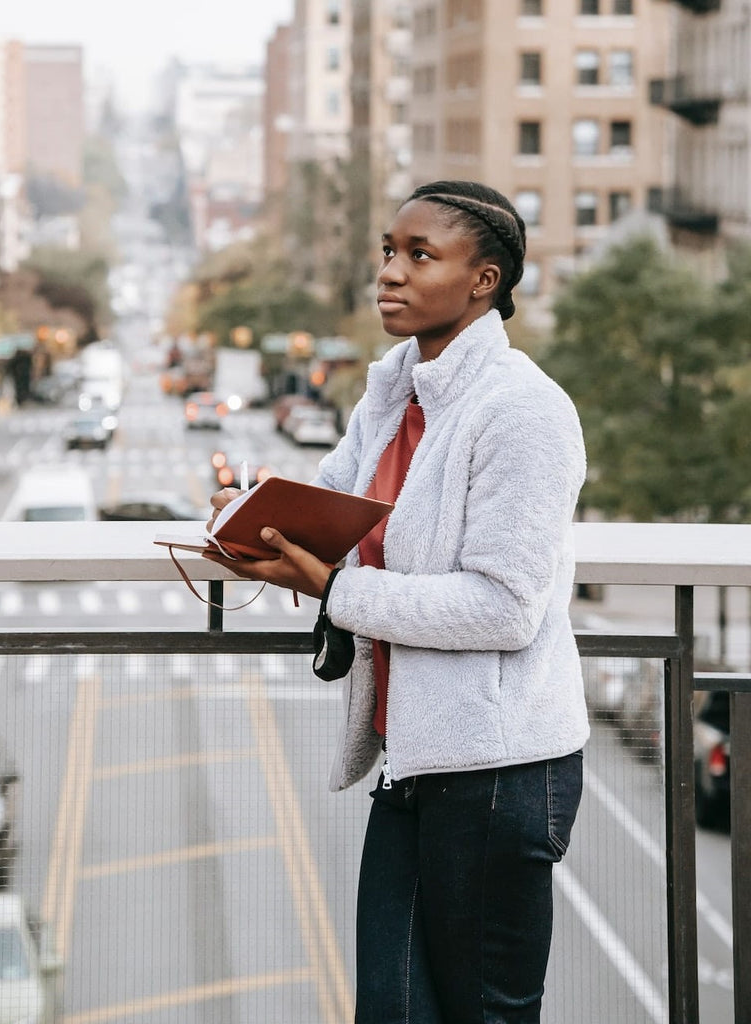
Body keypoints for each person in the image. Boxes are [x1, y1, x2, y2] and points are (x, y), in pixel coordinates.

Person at [204, 180, 589, 1023]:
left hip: (499, 770)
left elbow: (502, 609)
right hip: (414, 765)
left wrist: (336, 590)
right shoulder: (397, 390)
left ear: (484, 281)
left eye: (421, 256)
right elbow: (334, 502)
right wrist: (250, 525)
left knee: (484, 1013)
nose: (391, 273)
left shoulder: (524, 412)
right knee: (391, 1010)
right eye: (389, 250)